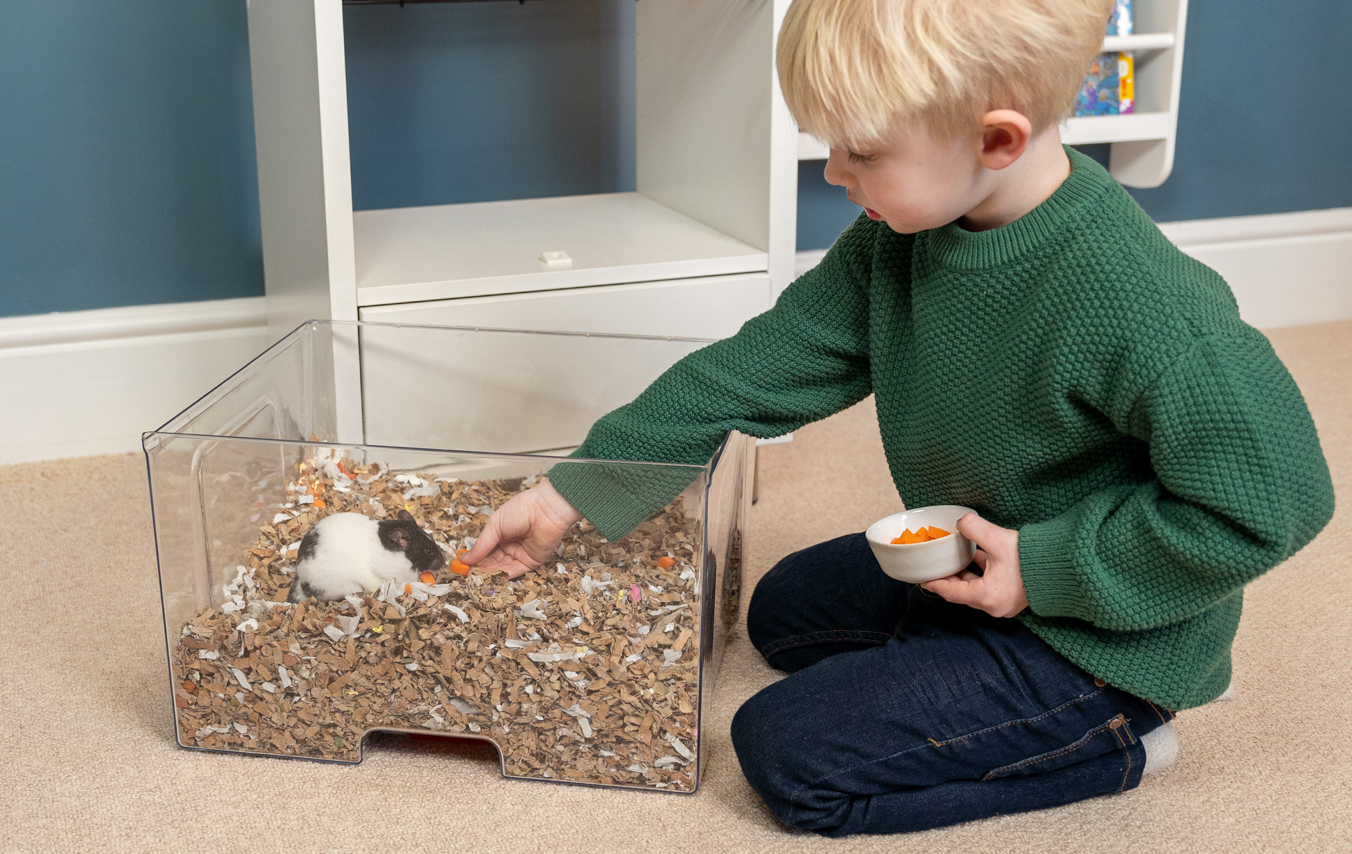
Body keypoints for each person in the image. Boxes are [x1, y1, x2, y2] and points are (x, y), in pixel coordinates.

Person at [462, 0, 1335, 836]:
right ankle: (965, 663)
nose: (836, 174)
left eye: (861, 153)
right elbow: (758, 365)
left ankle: (1118, 743)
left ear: (996, 139)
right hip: (980, 553)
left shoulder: (1144, 307)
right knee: (782, 611)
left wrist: (1042, 567)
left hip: (1103, 634)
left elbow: (1277, 500)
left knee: (786, 755)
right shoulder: (902, 235)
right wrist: (569, 492)